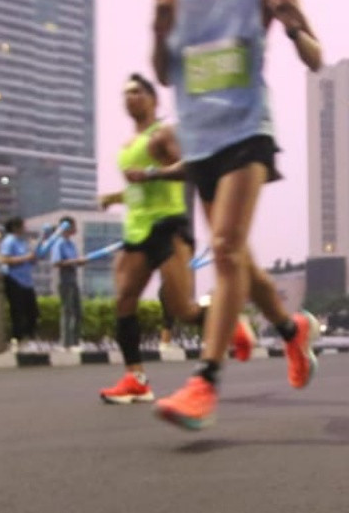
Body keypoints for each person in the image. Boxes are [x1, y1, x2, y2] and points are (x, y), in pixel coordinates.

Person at [144, 0, 322, 430]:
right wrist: (158, 27)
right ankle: (294, 333)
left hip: (248, 132)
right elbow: (165, 75)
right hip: (201, 139)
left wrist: (293, 25)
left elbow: (315, 58)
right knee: (237, 254)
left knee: (223, 247)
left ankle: (205, 383)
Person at [97, 73, 253, 405]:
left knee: (182, 309)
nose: (130, 97)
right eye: (125, 93)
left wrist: (153, 172)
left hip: (169, 227)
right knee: (124, 301)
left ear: (153, 99)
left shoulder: (163, 134)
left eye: (137, 91)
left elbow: (191, 166)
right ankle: (135, 379)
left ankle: (227, 322)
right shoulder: (127, 147)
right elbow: (138, 189)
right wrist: (116, 197)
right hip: (137, 231)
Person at [0, 217, 39, 352]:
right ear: (16, 227)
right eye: (23, 226)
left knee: (32, 311)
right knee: (17, 311)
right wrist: (26, 258)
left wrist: (32, 259)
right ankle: (17, 338)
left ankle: (29, 338)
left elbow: (28, 259)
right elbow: (4, 259)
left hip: (26, 280)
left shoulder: (23, 242)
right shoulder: (9, 241)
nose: (25, 228)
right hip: (13, 279)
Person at [49, 215, 86, 352]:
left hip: (73, 279)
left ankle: (75, 342)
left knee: (77, 311)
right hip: (64, 280)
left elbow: (74, 260)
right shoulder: (59, 243)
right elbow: (56, 262)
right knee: (67, 311)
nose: (76, 229)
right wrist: (76, 261)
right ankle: (66, 343)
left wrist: (79, 262)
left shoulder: (71, 243)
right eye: (74, 226)